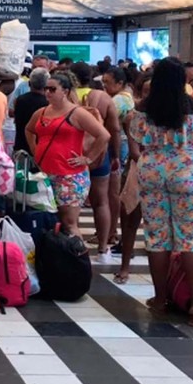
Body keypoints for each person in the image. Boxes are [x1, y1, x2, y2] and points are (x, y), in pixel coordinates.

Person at [127, 58, 193, 327]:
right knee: (192, 238)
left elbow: (136, 135)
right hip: (186, 171)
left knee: (157, 236)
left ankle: (160, 299)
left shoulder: (144, 106)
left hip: (152, 171)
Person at [26, 72, 110, 236]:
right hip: (45, 173)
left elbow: (104, 135)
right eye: (46, 89)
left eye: (52, 89)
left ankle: (77, 258)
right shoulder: (42, 112)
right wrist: (35, 149)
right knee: (51, 221)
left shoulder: (77, 113)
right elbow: (29, 129)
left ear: (65, 91)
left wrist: (88, 158)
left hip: (69, 176)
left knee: (69, 223)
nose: (48, 93)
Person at [74, 62, 121, 261]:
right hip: (100, 154)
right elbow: (115, 129)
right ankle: (103, 249)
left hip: (73, 156)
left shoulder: (66, 96)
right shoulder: (104, 98)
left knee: (71, 202)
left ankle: (73, 247)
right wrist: (116, 155)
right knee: (101, 202)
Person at [114, 71, 152, 284]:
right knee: (130, 220)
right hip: (136, 172)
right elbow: (134, 150)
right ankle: (125, 266)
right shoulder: (133, 115)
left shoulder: (165, 116)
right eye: (146, 91)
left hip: (148, 169)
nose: (149, 96)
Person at [101, 66, 136, 251]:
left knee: (113, 193)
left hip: (118, 147)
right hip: (122, 147)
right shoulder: (126, 97)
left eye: (108, 82)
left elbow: (109, 125)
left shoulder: (119, 101)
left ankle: (111, 232)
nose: (104, 86)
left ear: (120, 83)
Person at [13, 68, 49, 156]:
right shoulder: (48, 103)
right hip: (40, 148)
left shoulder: (20, 100)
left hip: (20, 146)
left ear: (29, 83)